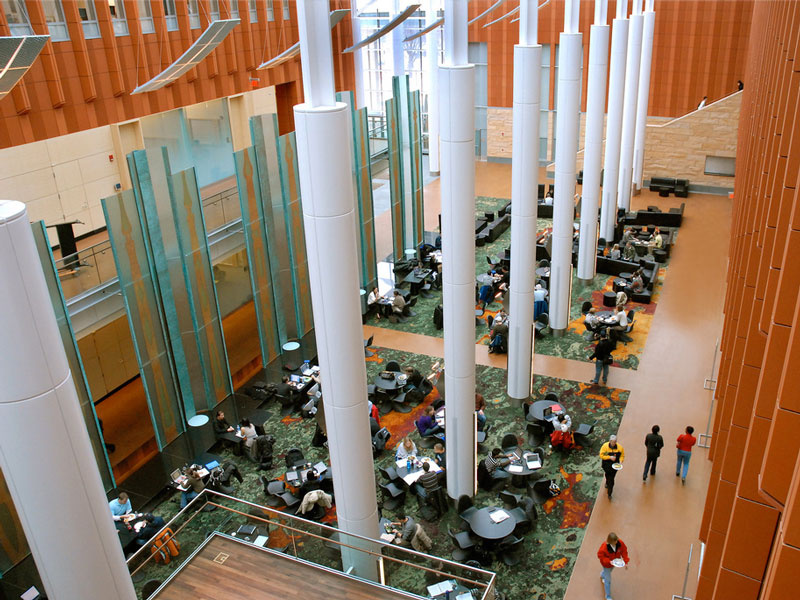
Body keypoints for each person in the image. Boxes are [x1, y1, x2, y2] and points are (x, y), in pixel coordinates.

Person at [597, 532, 630, 600]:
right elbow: (600, 556)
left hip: (614, 563)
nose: (617, 542)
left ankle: (603, 574)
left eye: (617, 540)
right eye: (615, 541)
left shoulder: (620, 543)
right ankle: (608, 596)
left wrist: (625, 561)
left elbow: (624, 551)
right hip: (606, 565)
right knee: (608, 581)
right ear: (610, 541)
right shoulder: (604, 547)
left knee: (608, 572)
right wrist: (609, 561)